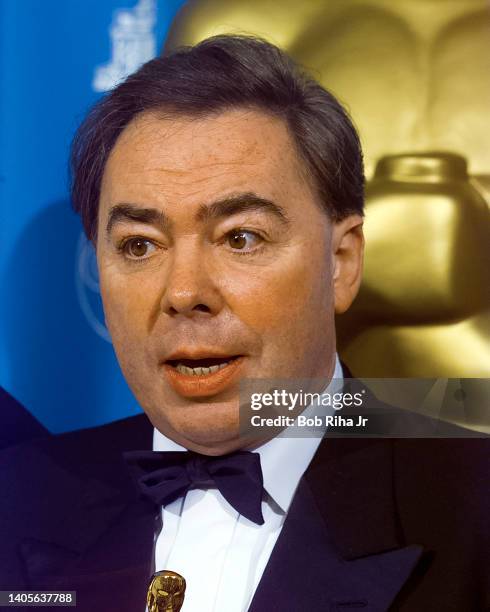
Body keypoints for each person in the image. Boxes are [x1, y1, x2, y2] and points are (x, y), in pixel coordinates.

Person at [1, 35, 488, 612]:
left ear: (341, 262)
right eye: (139, 245)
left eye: (241, 238)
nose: (184, 293)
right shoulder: (16, 491)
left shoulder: (473, 506)